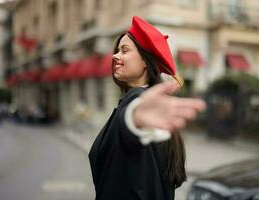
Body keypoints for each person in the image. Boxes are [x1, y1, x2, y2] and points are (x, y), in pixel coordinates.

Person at [88, 16, 205, 200]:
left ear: (145, 61)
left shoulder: (137, 102)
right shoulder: (138, 101)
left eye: (124, 50)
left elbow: (131, 129)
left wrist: (132, 120)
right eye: (117, 50)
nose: (115, 56)